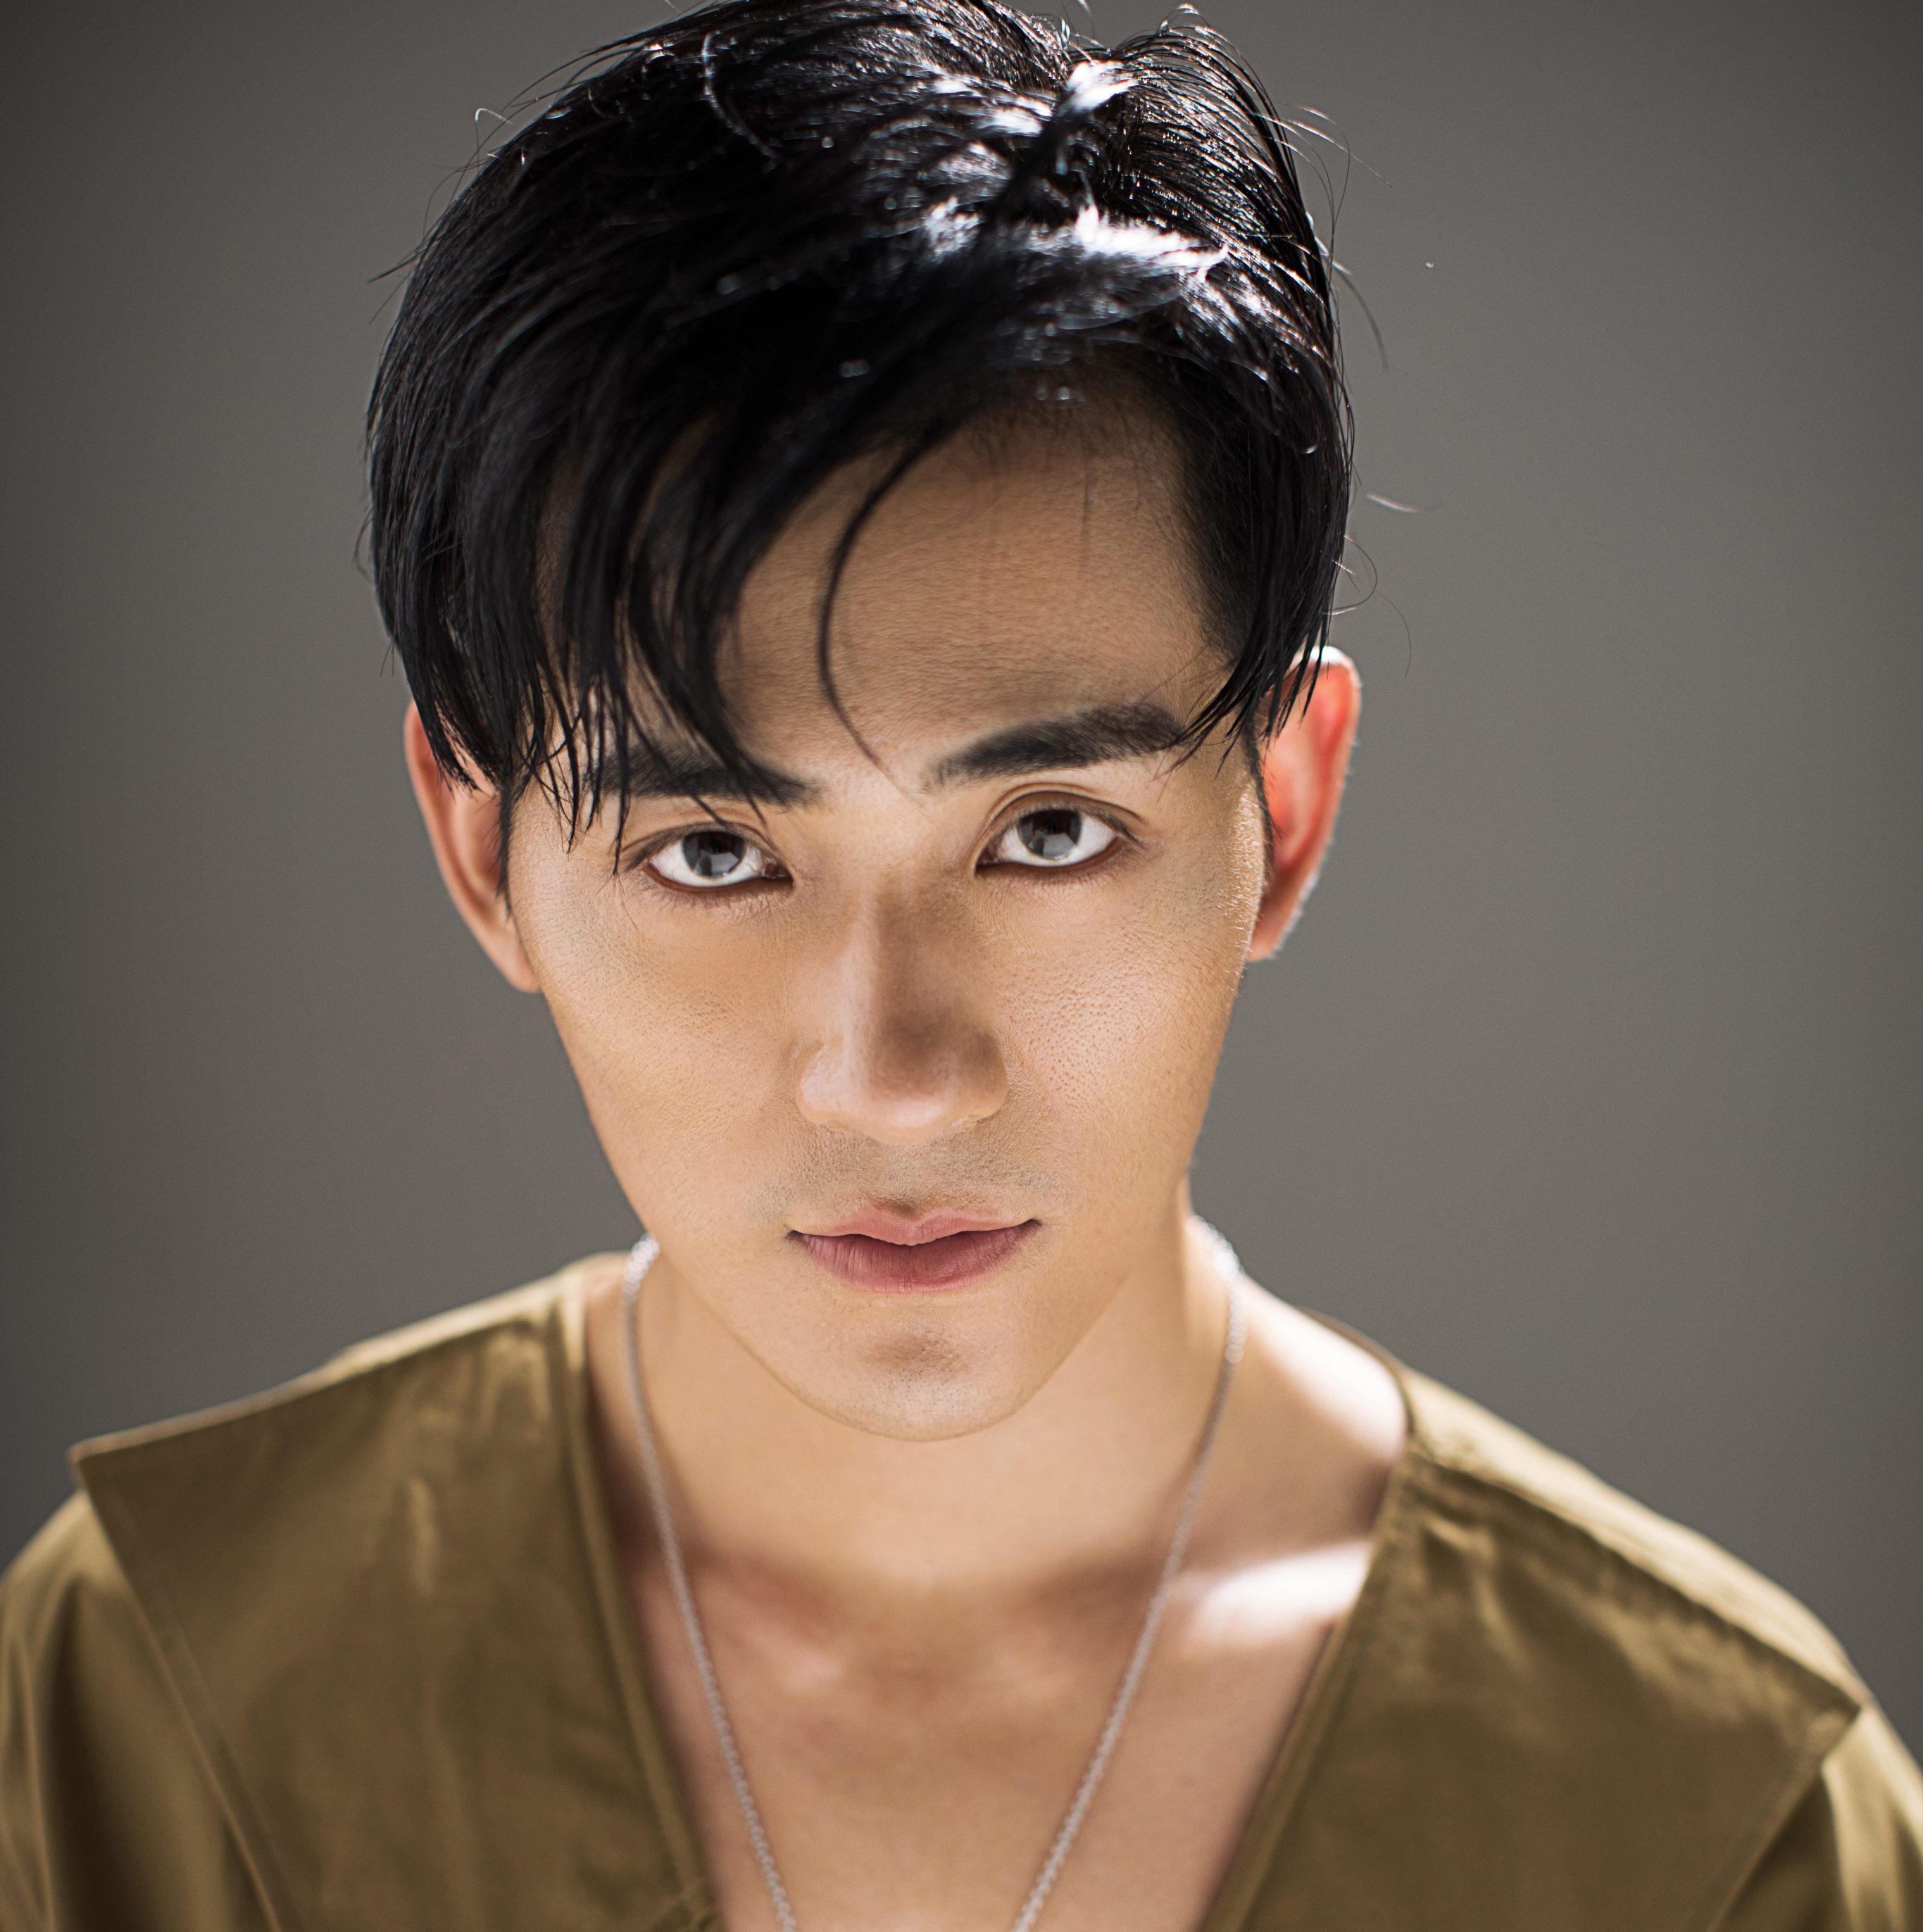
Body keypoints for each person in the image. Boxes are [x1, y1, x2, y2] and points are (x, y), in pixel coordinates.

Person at [3, 1, 1918, 1926]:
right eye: (714, 853)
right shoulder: (152, 1701)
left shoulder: (1706, 1819)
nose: (897, 1080)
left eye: (1048, 832)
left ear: (1284, 806)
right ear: (480, 851)